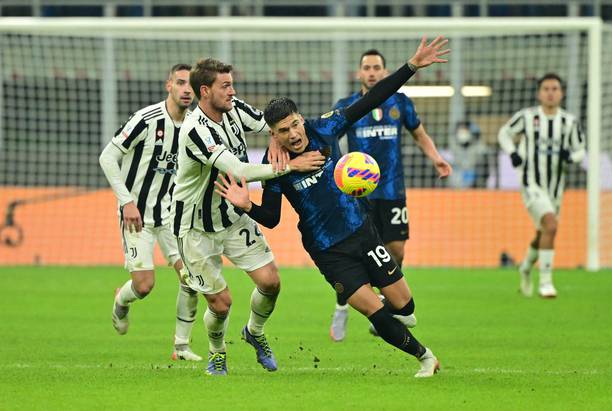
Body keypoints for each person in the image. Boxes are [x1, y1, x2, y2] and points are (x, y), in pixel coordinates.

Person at [215, 36, 449, 378]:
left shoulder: (325, 127)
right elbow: (272, 217)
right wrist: (246, 203)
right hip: (328, 251)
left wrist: (411, 66)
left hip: (363, 231)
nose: (293, 134)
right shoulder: (273, 163)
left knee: (405, 306)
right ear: (274, 134)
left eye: (295, 124)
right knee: (373, 310)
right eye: (283, 131)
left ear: (300, 117)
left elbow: (372, 99)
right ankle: (425, 357)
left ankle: (390, 312)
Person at [170, 57, 324, 376]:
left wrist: (273, 137)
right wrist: (289, 166)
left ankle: (254, 332)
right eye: (225, 86)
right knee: (221, 303)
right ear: (205, 91)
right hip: (196, 229)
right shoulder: (195, 130)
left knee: (271, 282)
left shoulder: (234, 108)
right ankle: (217, 352)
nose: (232, 90)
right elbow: (238, 169)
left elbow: (270, 121)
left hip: (231, 214)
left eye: (231, 83)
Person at [329, 49, 452, 342]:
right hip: (359, 194)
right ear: (359, 73)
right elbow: (330, 139)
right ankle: (341, 307)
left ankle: (390, 304)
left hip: (393, 190)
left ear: (384, 72)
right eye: (366, 67)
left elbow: (419, 134)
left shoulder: (400, 103)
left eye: (377, 68)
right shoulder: (347, 105)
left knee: (396, 251)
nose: (371, 72)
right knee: (356, 253)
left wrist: (436, 158)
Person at [99, 63, 203, 361]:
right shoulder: (145, 120)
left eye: (191, 85)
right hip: (138, 216)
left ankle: (181, 347)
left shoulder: (196, 125)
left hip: (174, 218)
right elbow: (108, 157)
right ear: (168, 85)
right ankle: (122, 300)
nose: (186, 89)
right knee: (144, 286)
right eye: (180, 83)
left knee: (191, 277)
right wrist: (126, 201)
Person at [498, 73, 586, 298]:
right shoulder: (527, 117)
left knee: (545, 230)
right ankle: (546, 282)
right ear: (539, 93)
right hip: (531, 183)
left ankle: (526, 266)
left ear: (561, 93)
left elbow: (580, 150)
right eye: (546, 88)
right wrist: (513, 153)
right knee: (551, 224)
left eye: (554, 88)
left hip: (556, 187)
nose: (550, 92)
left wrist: (571, 157)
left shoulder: (569, 122)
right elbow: (504, 134)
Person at [448, 120, 489, 189]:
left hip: (474, 184)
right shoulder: (454, 147)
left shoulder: (478, 147)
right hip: (456, 184)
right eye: (460, 130)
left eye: (465, 130)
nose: (462, 133)